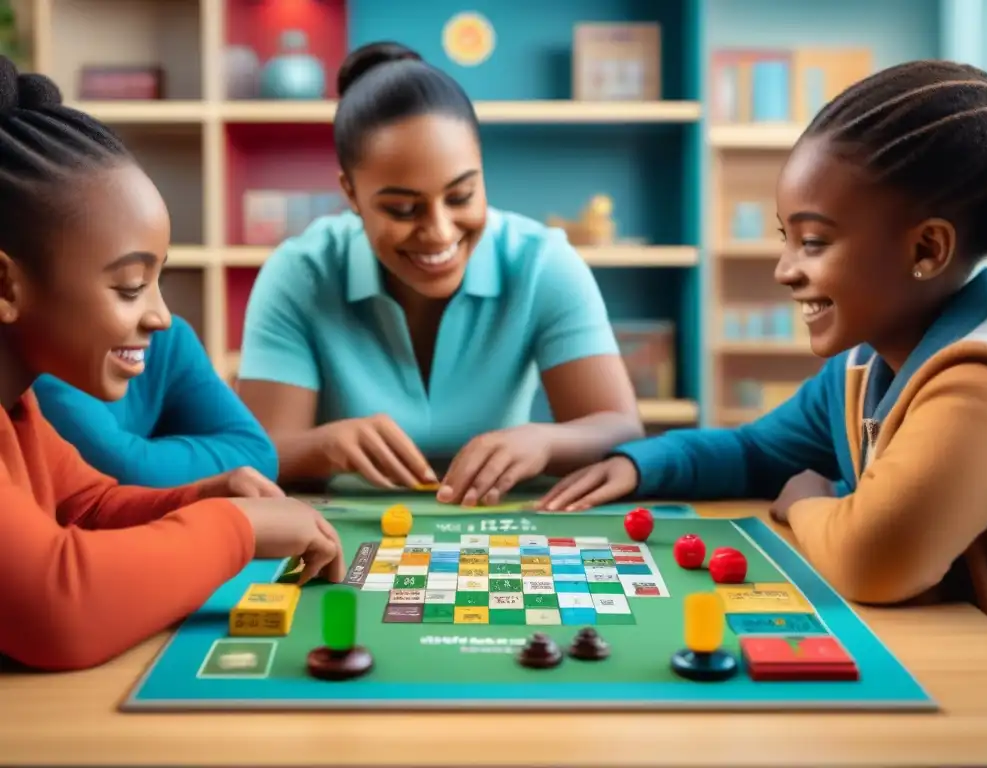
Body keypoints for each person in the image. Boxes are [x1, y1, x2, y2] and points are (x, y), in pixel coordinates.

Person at [538, 61, 987, 639]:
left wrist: (805, 501)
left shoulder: (985, 379)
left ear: (927, 248)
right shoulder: (865, 365)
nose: (784, 270)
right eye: (784, 238)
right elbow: (755, 451)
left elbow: (871, 561)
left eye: (814, 242)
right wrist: (639, 464)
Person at [0, 57, 344, 672]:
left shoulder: (17, 408)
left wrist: (208, 493)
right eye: (131, 286)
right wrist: (235, 526)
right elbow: (59, 609)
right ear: (5, 286)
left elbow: (90, 509)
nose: (161, 317)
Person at [236, 42, 643, 507]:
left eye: (461, 196)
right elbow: (255, 453)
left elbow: (620, 426)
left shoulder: (542, 262)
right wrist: (326, 445)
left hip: (503, 523)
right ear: (350, 192)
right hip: (344, 532)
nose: (438, 232)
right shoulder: (299, 273)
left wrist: (544, 442)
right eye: (403, 208)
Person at [32, 314, 279, 487]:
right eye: (128, 288)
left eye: (156, 280)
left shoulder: (165, 341)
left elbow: (258, 454)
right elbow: (127, 471)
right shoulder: (39, 364)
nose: (161, 316)